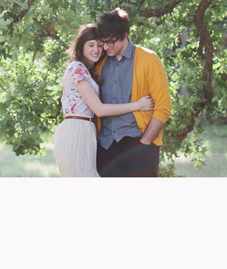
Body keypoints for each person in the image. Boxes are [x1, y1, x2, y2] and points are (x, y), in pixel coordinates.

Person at [53, 24, 155, 177]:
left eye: (100, 46)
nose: (96, 50)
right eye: (91, 45)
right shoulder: (77, 68)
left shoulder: (89, 71)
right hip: (75, 130)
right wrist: (138, 105)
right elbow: (99, 110)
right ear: (82, 47)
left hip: (88, 132)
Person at [94, 8, 172, 177]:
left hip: (139, 145)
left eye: (111, 42)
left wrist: (145, 142)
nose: (106, 47)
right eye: (103, 42)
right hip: (106, 147)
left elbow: (163, 106)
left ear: (125, 35)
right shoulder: (99, 64)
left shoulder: (149, 59)